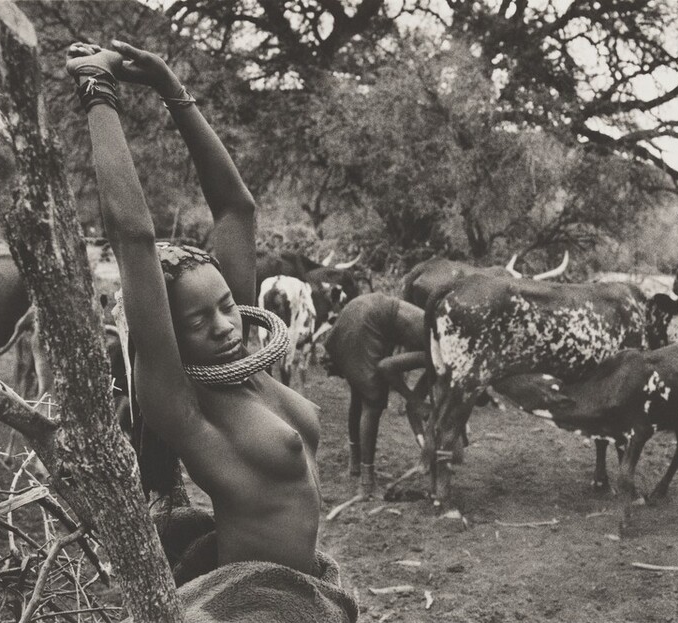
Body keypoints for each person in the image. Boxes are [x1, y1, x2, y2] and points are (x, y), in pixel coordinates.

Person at [66, 41, 356, 620]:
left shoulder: (245, 360)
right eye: (199, 321)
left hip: (302, 589)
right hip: (253, 607)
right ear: (168, 337)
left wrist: (172, 88)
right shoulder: (182, 401)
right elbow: (134, 237)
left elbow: (236, 210)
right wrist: (100, 95)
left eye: (227, 305)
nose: (225, 325)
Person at [323, 292, 431, 495]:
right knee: (373, 401)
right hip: (366, 320)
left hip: (359, 309)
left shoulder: (438, 335)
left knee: (359, 394)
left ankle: (356, 466)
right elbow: (386, 367)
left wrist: (414, 401)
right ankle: (367, 483)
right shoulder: (435, 351)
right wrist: (413, 400)